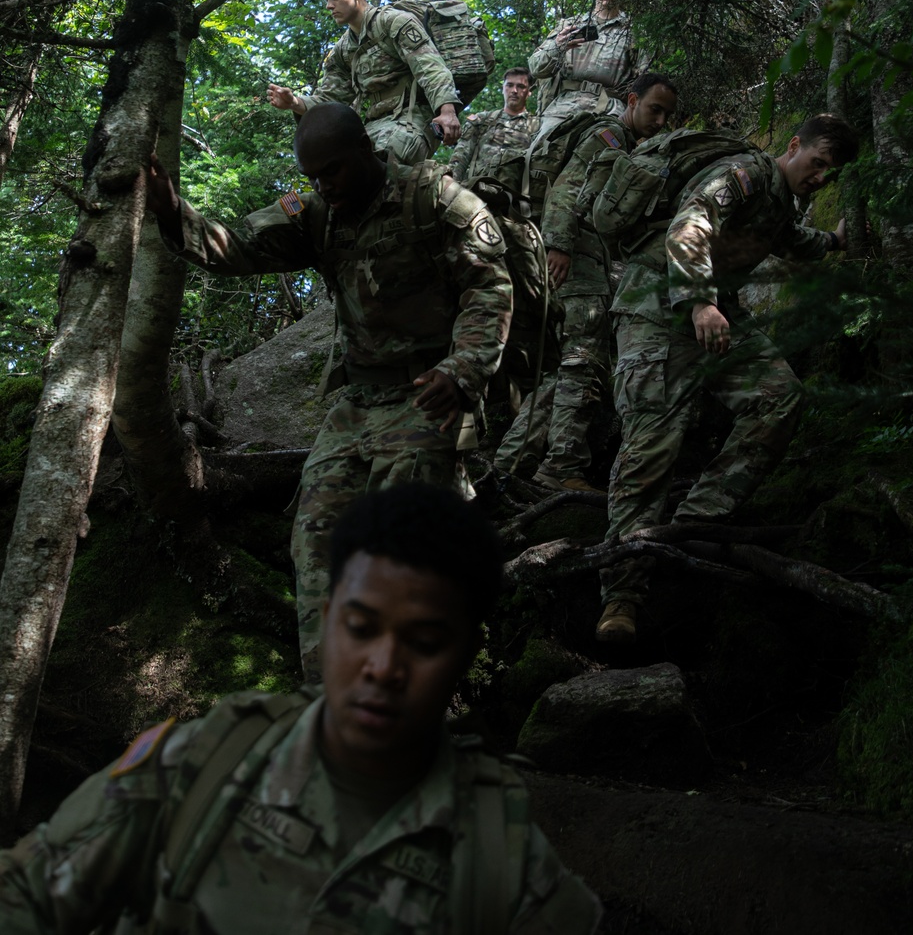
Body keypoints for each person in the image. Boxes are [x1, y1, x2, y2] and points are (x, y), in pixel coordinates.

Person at [0, 484, 601, 933]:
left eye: (423, 643)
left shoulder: (501, 856)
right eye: (361, 628)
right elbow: (28, 894)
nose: (384, 668)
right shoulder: (202, 763)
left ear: (467, 653)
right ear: (325, 619)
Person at [146, 102, 512, 681]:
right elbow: (238, 245)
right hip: (355, 406)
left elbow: (489, 287)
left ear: (366, 151)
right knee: (315, 547)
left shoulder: (436, 201)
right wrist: (171, 213)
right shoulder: (317, 213)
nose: (324, 185)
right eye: (313, 176)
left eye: (334, 171)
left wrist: (463, 370)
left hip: (428, 397)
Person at [595, 114, 859, 644]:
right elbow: (689, 221)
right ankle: (621, 594)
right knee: (650, 445)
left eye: (831, 173)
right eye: (819, 163)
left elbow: (789, 241)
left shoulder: (780, 204)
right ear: (794, 146)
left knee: (779, 397)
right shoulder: (745, 173)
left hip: (715, 316)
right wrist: (699, 300)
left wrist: (834, 242)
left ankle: (691, 527)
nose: (821, 178)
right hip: (655, 308)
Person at [495, 75, 678, 491]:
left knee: (569, 368)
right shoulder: (610, 136)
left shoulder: (629, 144)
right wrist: (559, 244)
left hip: (590, 257)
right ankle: (561, 468)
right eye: (655, 109)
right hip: (577, 256)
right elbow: (568, 187)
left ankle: (510, 464)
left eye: (667, 114)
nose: (660, 120)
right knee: (581, 360)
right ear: (632, 100)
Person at [267, 0, 463, 163]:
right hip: (372, 125)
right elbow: (329, 99)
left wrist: (447, 112)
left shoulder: (394, 22)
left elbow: (431, 68)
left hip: (412, 118)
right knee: (337, 171)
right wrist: (295, 103)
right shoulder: (342, 51)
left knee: (387, 164)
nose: (329, 5)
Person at [528, 0, 649, 129]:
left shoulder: (633, 31)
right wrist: (557, 46)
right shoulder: (570, 26)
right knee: (542, 149)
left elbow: (646, 81)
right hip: (564, 107)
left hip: (610, 110)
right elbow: (536, 68)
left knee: (606, 150)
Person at [448, 68, 539, 191]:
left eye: (521, 86)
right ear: (503, 88)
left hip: (514, 198)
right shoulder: (482, 120)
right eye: (510, 85)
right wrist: (450, 187)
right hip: (476, 192)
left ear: (529, 92)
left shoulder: (536, 126)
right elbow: (460, 158)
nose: (514, 91)